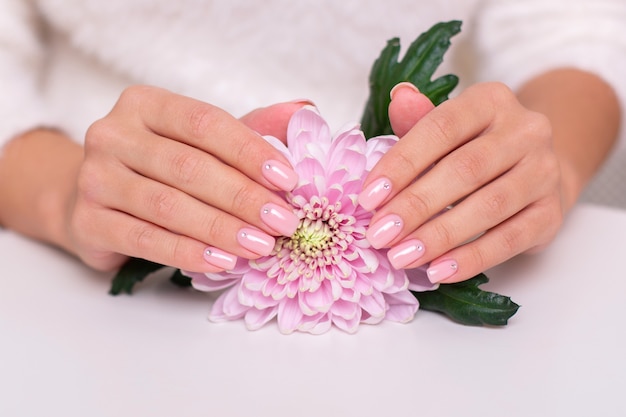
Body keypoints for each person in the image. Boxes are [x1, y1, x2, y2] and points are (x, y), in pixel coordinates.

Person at [0, 0, 623, 285]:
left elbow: (573, 31)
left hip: (430, 234)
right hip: (80, 248)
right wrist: (64, 193)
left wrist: (547, 168)